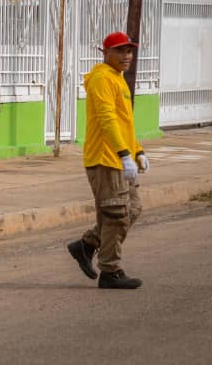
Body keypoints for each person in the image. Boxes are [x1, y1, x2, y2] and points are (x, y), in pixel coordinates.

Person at [67, 31, 151, 290]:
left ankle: (88, 244)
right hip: (105, 159)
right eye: (120, 50)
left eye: (129, 51)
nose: (127, 56)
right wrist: (124, 154)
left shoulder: (118, 78)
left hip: (121, 158)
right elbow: (107, 119)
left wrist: (137, 150)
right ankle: (110, 271)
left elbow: (125, 123)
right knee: (116, 215)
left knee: (132, 209)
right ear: (105, 53)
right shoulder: (103, 78)